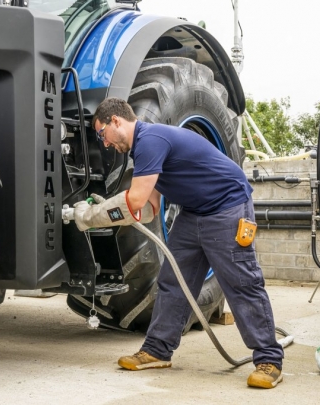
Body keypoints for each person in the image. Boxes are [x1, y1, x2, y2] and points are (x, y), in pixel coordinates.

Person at [73, 97, 284, 389]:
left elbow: (133, 201)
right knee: (173, 280)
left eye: (102, 134)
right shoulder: (145, 148)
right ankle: (157, 350)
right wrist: (109, 208)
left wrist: (90, 216)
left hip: (227, 207)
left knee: (241, 282)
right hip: (195, 211)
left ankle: (269, 359)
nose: (105, 144)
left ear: (116, 121)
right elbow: (149, 207)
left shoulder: (150, 140)